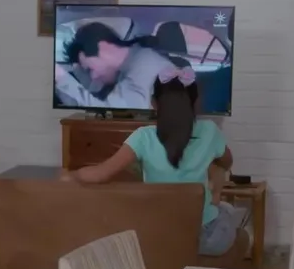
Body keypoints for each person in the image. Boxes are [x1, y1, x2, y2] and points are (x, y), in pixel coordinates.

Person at [60, 66, 246, 256]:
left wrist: (72, 175)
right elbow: (227, 162)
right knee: (225, 212)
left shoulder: (143, 137)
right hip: (205, 238)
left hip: (159, 235)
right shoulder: (210, 131)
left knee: (221, 210)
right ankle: (225, 210)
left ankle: (221, 209)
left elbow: (100, 174)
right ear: (195, 101)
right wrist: (212, 173)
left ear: (153, 103)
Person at [57, 22, 176, 110]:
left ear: (104, 48)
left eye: (90, 69)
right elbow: (89, 107)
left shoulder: (145, 64)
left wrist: (62, 78)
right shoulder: (123, 72)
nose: (93, 76)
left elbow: (109, 109)